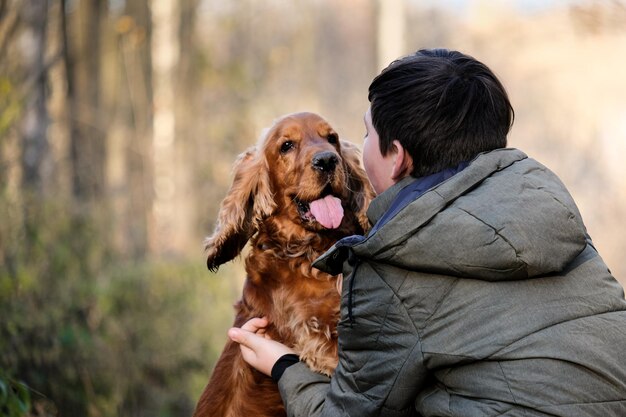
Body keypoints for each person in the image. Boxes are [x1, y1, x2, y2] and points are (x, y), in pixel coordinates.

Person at [227, 48, 626, 416]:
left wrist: (282, 366)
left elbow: (345, 413)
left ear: (397, 157)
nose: (344, 152)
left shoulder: (394, 265)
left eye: (364, 135)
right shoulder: (556, 213)